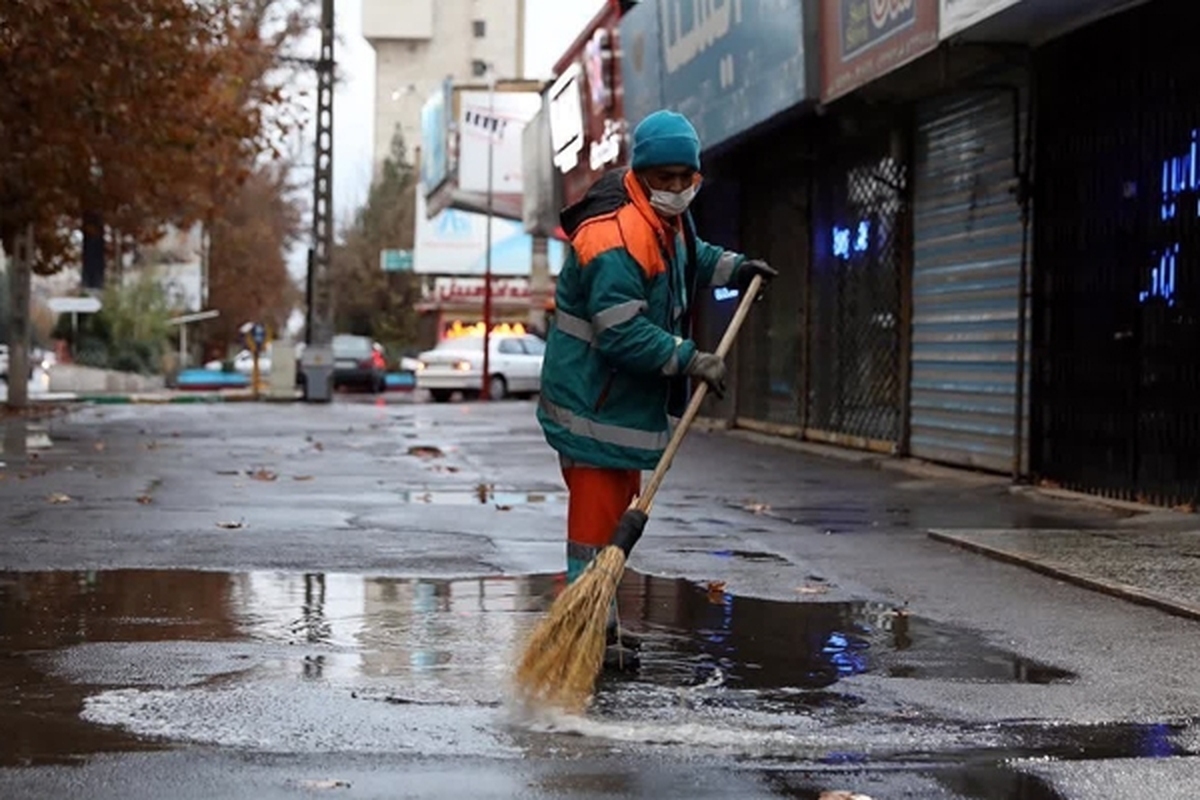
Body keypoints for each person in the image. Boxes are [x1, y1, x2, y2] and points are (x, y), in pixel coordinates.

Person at [536, 109, 777, 665]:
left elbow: (691, 261)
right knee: (595, 530)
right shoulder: (614, 236)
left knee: (615, 525)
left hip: (617, 403)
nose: (675, 189)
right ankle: (585, 639)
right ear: (641, 173)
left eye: (684, 178)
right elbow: (620, 333)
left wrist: (737, 269)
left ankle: (603, 623)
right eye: (663, 177)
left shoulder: (663, 219)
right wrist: (690, 358)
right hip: (591, 403)